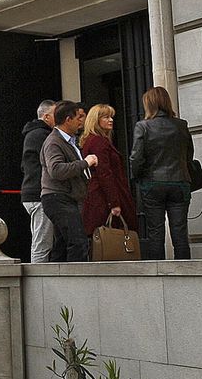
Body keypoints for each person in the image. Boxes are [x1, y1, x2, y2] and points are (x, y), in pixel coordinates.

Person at [129, 86, 194, 260]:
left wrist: (137, 177)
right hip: (180, 182)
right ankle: (185, 270)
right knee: (180, 232)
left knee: (155, 232)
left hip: (152, 182)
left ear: (149, 104)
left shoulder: (143, 126)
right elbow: (189, 154)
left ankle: (157, 270)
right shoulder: (181, 125)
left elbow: (136, 158)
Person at [39, 100, 98, 262]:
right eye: (78, 117)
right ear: (67, 120)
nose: (81, 121)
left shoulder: (68, 141)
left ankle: (56, 276)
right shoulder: (54, 142)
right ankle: (76, 276)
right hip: (58, 198)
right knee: (78, 242)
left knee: (62, 245)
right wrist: (85, 163)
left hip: (66, 197)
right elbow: (56, 170)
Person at [79, 103, 137, 249]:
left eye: (111, 117)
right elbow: (104, 173)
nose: (110, 120)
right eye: (105, 117)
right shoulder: (98, 142)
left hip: (100, 194)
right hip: (103, 197)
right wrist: (114, 202)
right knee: (108, 238)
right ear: (96, 120)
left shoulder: (93, 140)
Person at [19, 100, 56, 263]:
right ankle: (38, 277)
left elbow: (24, 166)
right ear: (46, 116)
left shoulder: (32, 134)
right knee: (42, 244)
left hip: (31, 193)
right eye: (56, 114)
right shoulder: (43, 135)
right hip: (38, 194)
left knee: (42, 241)